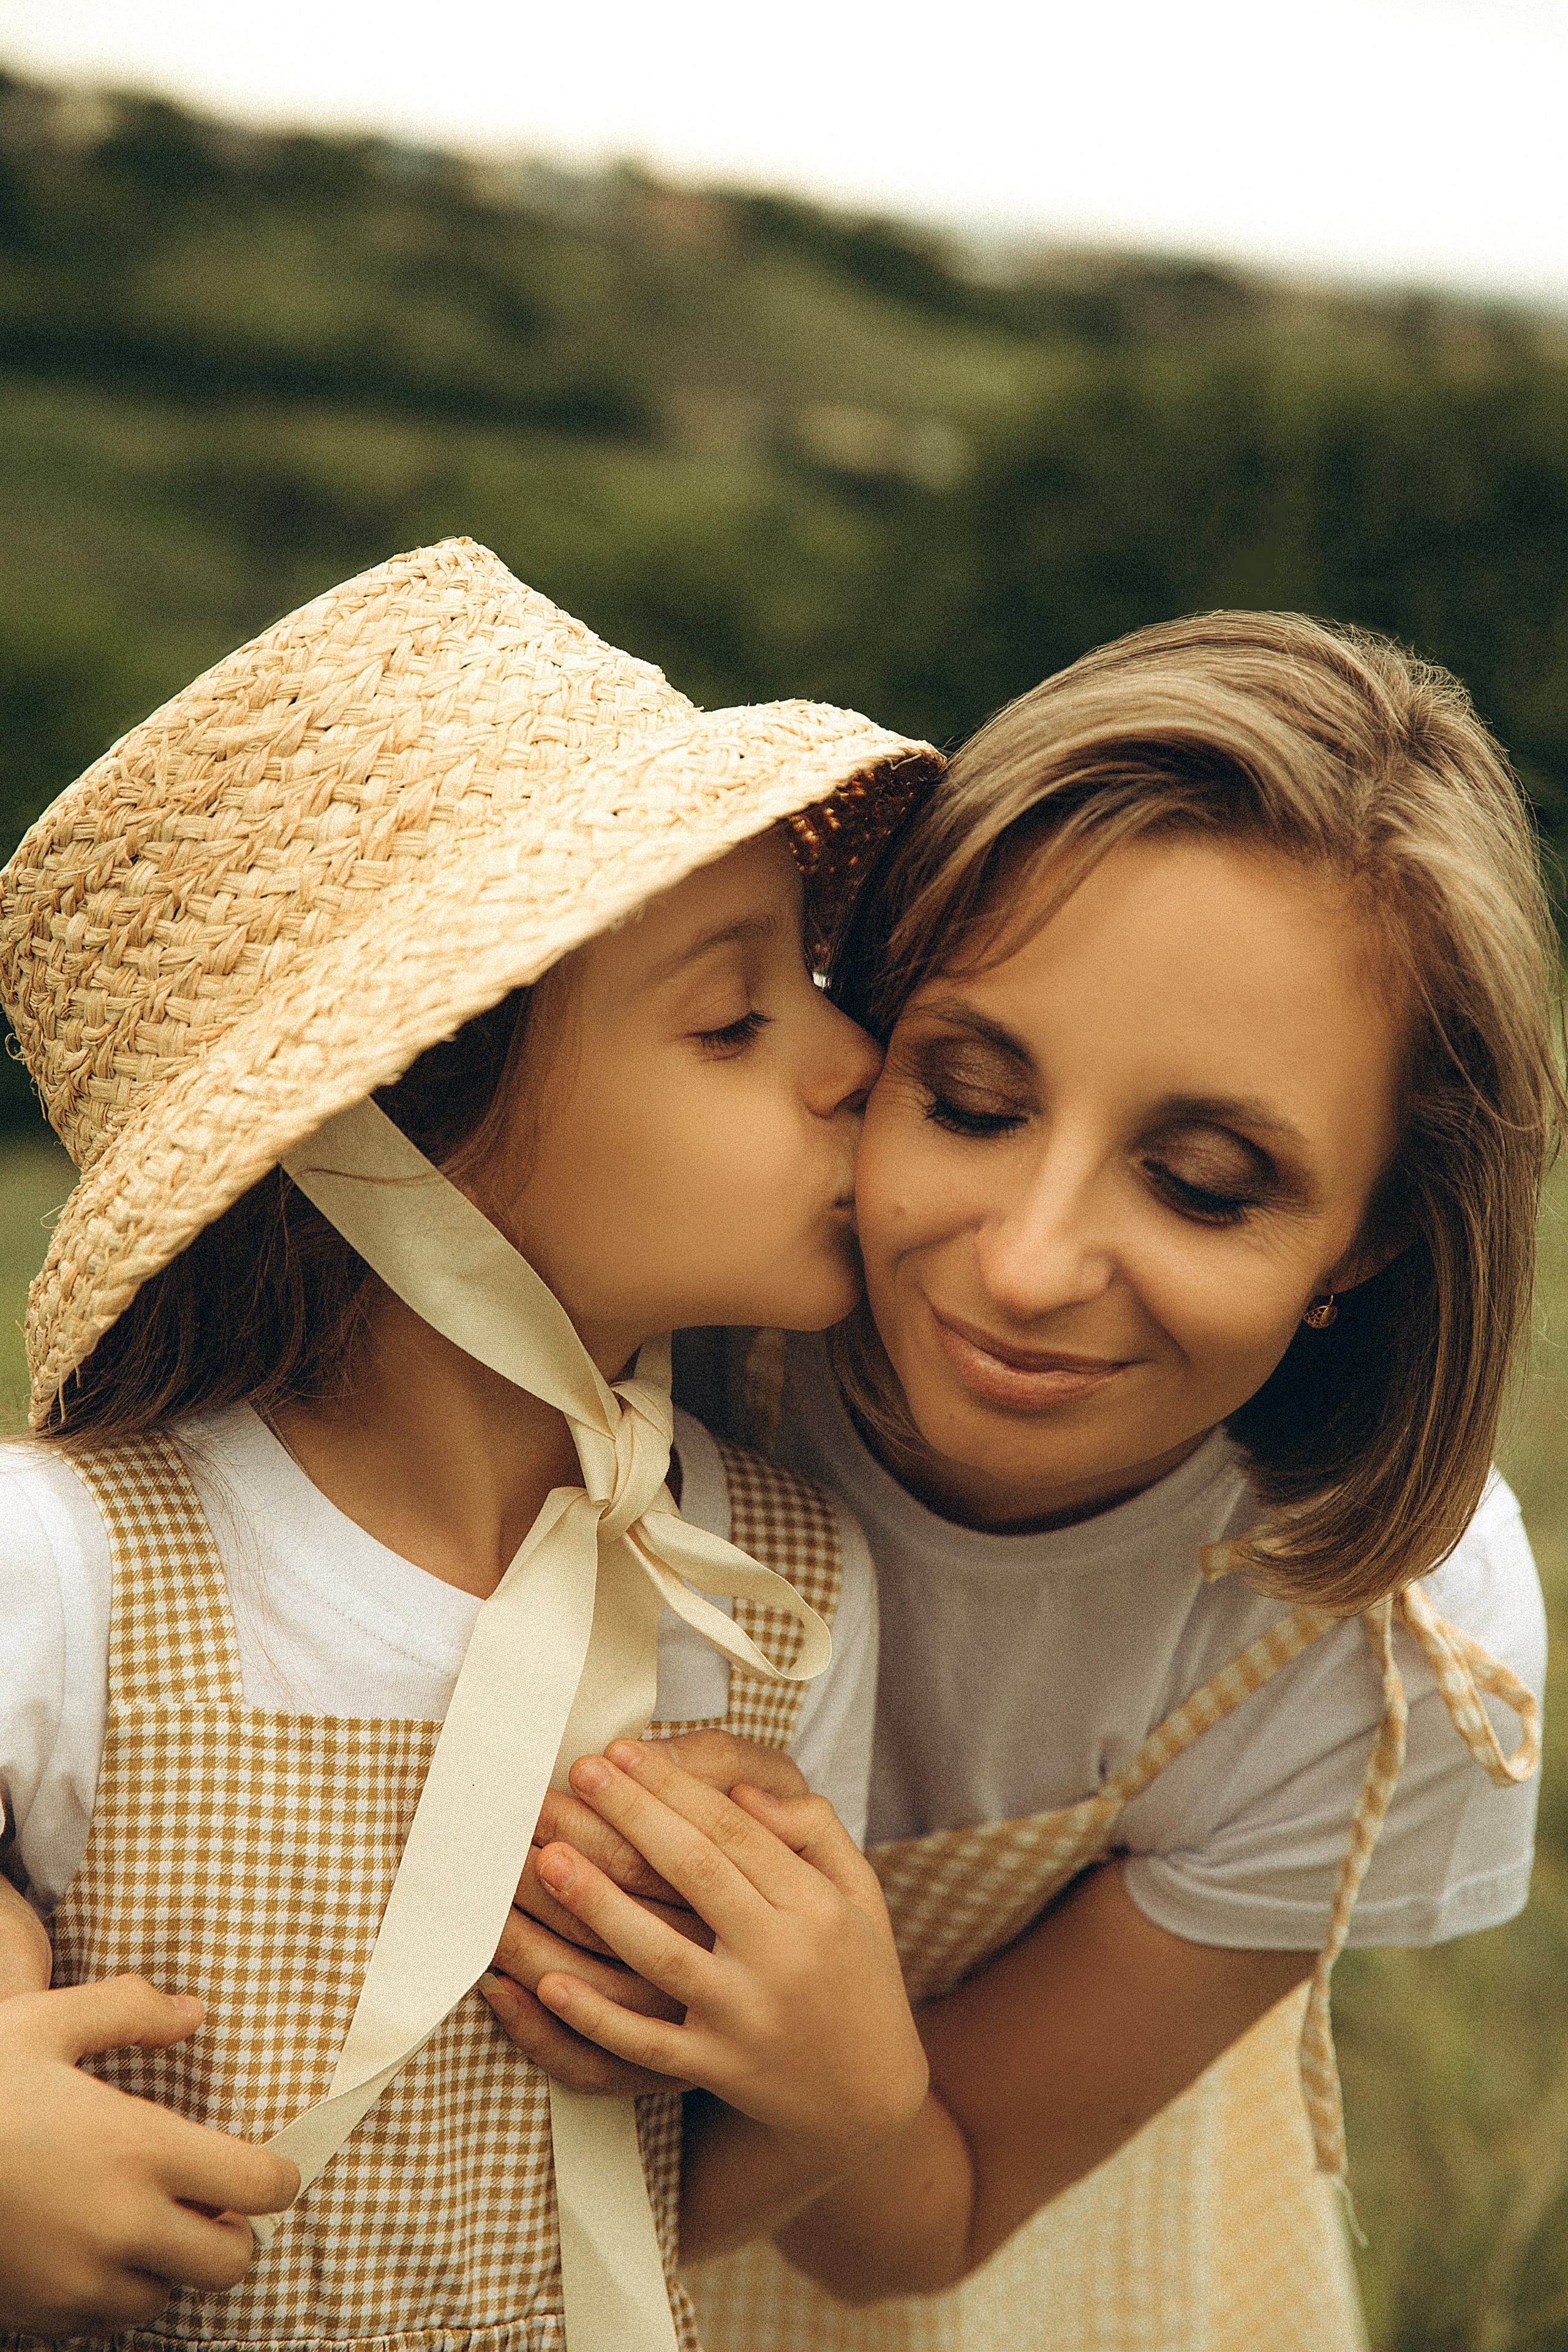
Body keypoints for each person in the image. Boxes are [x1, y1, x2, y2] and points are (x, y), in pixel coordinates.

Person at [491, 611, 1551, 2351]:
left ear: (1376, 1236)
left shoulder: (1375, 1649)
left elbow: (932, 2221)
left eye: (1204, 1183)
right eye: (972, 1099)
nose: (1033, 1264)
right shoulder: (660, 1327)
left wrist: (843, 2075)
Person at [0, 538, 940, 2348]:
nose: (854, 1058)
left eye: (812, 985)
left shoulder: (786, 1598)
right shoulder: (73, 1563)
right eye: (734, 1019)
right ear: (395, 1145)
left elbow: (651, 2200)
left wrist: (841, 2096)